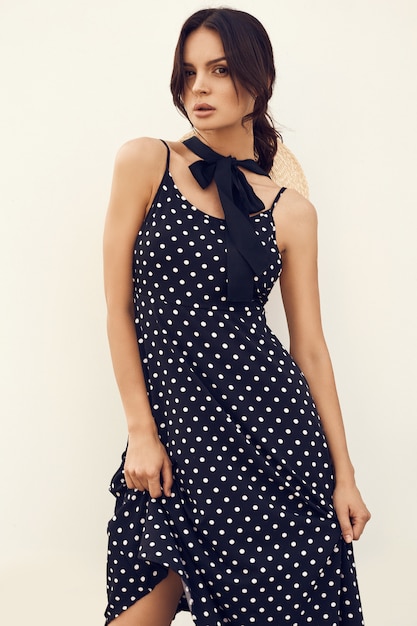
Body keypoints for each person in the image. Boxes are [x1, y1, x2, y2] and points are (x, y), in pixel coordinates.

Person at [103, 8, 371, 626]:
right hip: (174, 439)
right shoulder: (146, 162)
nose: (199, 87)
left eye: (220, 70)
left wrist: (345, 476)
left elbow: (309, 350)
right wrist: (140, 432)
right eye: (190, 71)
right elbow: (118, 308)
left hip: (276, 443)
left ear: (259, 78)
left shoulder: (291, 212)